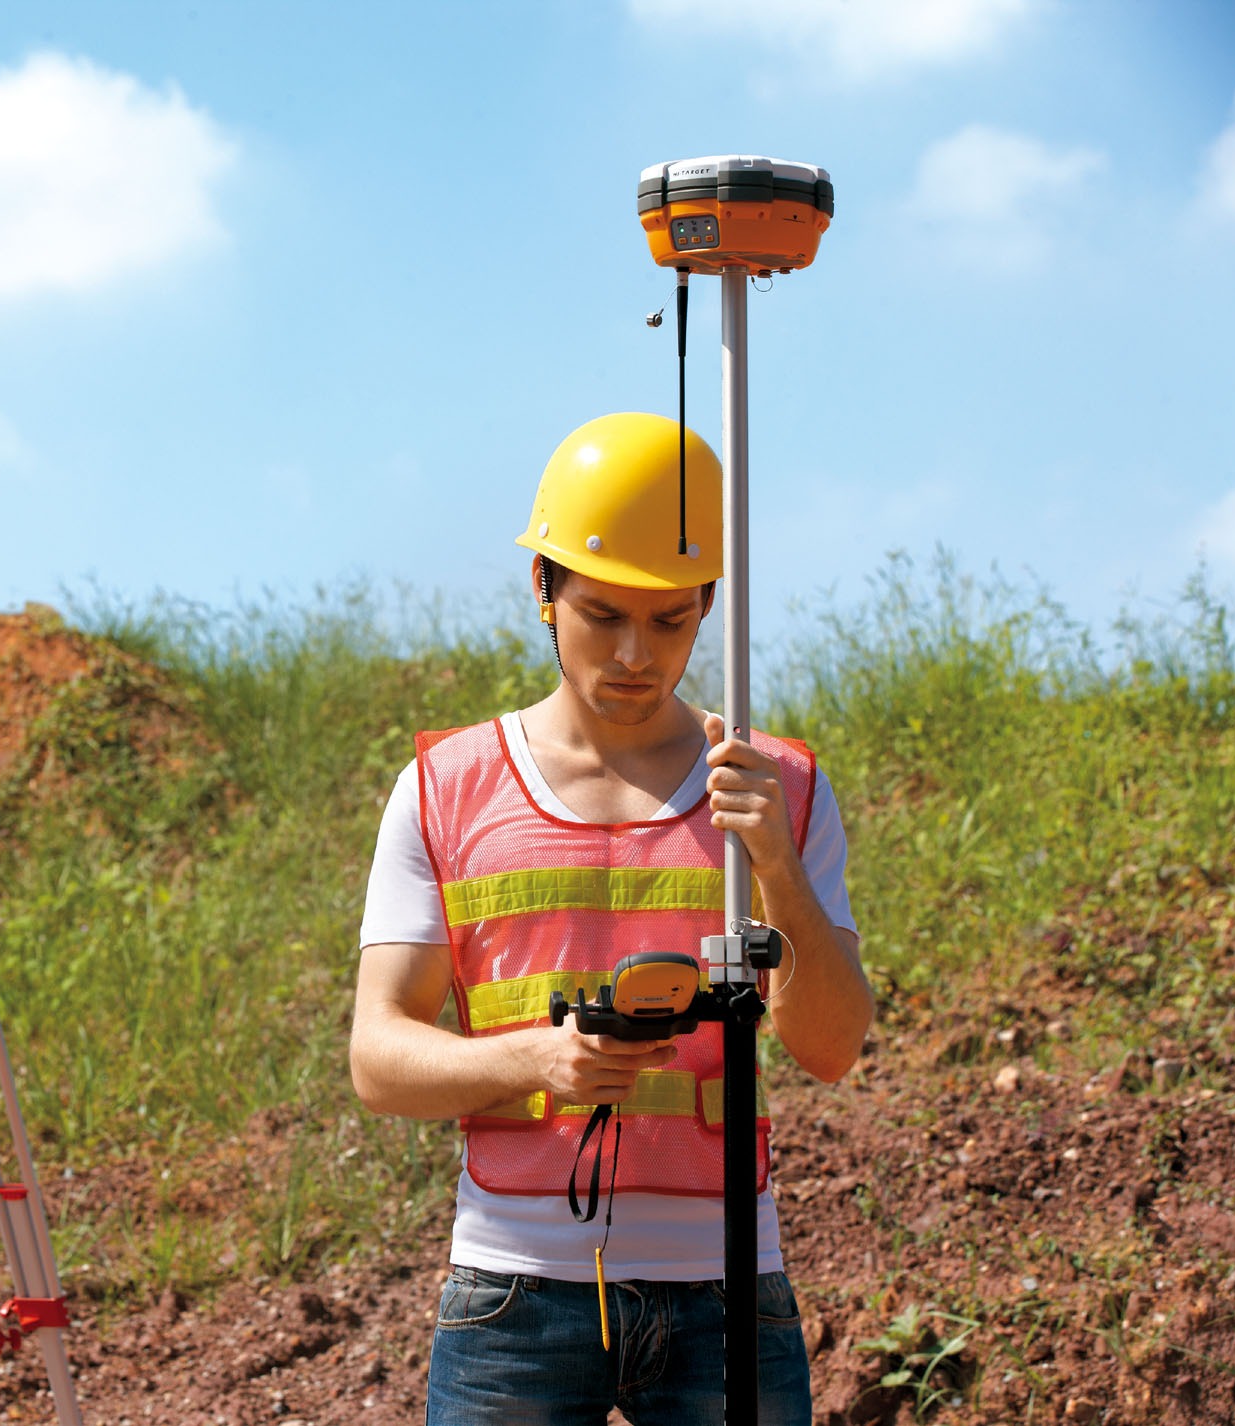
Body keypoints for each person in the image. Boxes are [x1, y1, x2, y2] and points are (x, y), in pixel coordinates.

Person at [349, 412, 873, 1425]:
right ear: (542, 588)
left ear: (711, 603)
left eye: (672, 621)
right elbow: (379, 1059)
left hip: (727, 1288)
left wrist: (774, 865)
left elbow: (833, 1046)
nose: (637, 654)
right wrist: (536, 1062)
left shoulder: (782, 788)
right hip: (513, 1295)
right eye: (603, 615)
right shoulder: (442, 789)